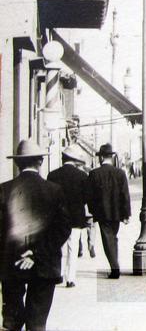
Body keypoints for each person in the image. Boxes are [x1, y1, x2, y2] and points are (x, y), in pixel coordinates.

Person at [1, 140, 71, 331]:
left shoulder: (4, 190)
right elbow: (63, 229)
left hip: (11, 266)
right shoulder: (55, 191)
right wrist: (36, 254)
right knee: (37, 324)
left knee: (11, 322)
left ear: (17, 163)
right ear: (40, 161)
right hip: (45, 265)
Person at [47, 144, 89, 288]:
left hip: (57, 218)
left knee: (57, 246)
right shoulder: (82, 176)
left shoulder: (52, 175)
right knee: (73, 247)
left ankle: (56, 274)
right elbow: (85, 198)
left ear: (63, 158)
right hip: (75, 218)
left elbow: (49, 198)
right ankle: (70, 278)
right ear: (74, 160)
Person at [86, 144, 131, 279]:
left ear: (100, 158)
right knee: (113, 238)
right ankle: (115, 265)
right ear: (111, 157)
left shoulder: (94, 174)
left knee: (108, 240)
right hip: (117, 214)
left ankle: (115, 268)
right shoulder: (120, 173)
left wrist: (93, 211)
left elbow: (90, 196)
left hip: (102, 213)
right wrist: (126, 214)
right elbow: (125, 195)